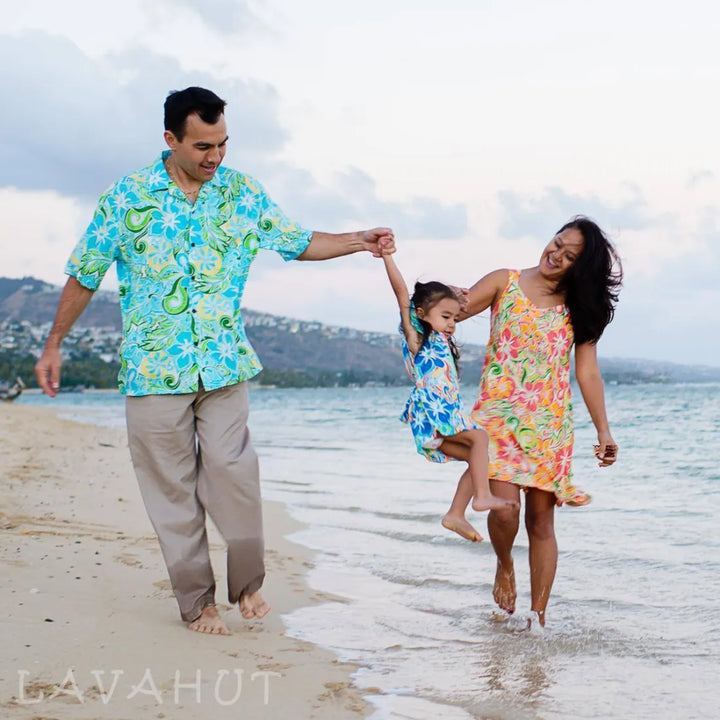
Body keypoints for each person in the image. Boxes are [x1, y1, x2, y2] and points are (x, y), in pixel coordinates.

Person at [34, 86, 395, 636]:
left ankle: (247, 582)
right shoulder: (128, 197)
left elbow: (296, 241)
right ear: (170, 140)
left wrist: (359, 241)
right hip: (154, 370)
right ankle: (198, 602)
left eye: (223, 143)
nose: (215, 156)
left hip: (224, 364)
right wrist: (55, 342)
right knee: (172, 493)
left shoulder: (242, 193)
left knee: (235, 474)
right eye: (203, 146)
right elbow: (86, 273)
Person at [447, 216, 621, 630]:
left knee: (541, 521)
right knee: (505, 511)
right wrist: (423, 302)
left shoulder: (580, 310)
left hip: (548, 425)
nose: (555, 254)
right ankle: (504, 564)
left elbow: (588, 373)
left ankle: (538, 619)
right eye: (556, 243)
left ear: (581, 267)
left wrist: (604, 430)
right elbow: (451, 312)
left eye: (569, 255)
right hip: (497, 422)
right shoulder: (503, 282)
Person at [382, 253, 518, 543]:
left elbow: (436, 303)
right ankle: (482, 497)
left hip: (436, 422)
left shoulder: (440, 338)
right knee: (480, 440)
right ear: (420, 315)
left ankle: (455, 514)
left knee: (478, 457)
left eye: (454, 318)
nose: (452, 324)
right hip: (432, 417)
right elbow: (401, 292)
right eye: (446, 317)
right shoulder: (417, 337)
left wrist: (451, 294)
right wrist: (386, 257)